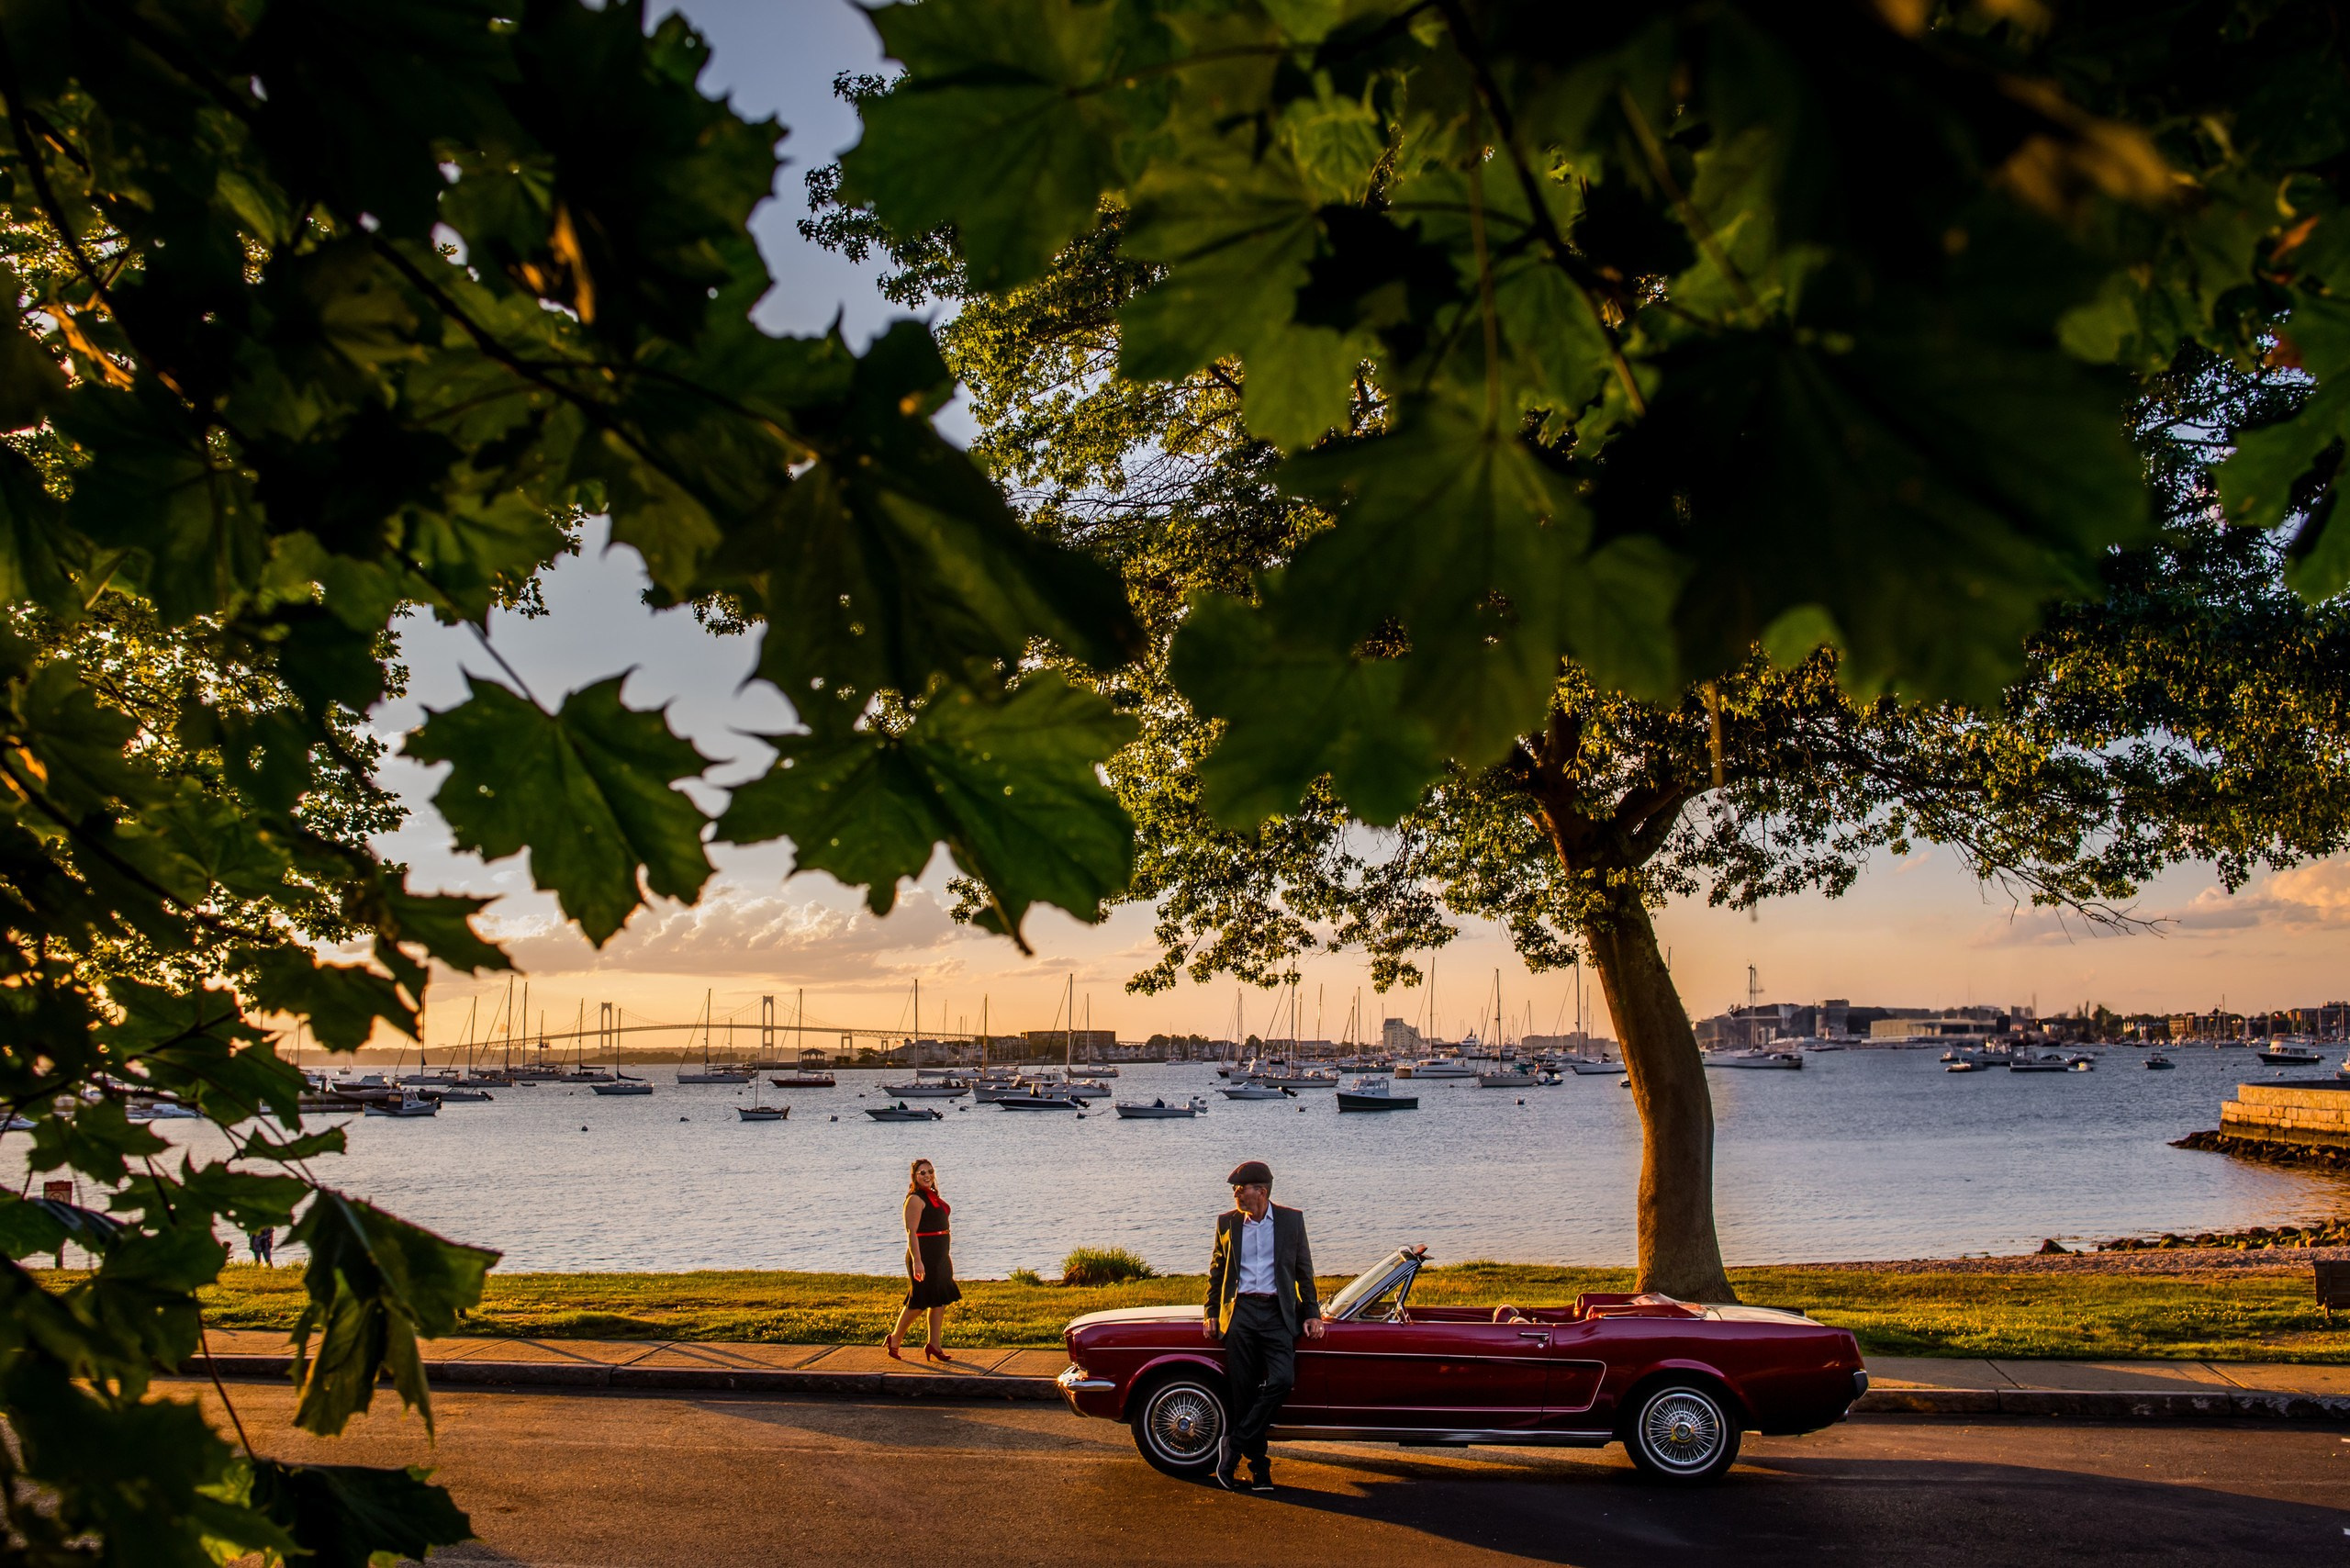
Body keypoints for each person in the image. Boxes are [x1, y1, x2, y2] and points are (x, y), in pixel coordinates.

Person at [1203, 1159, 1323, 1494]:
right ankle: (1260, 1471)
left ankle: (1234, 1447)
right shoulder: (1227, 1223)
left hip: (1277, 1314)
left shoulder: (1290, 1221)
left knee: (1283, 1380)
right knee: (1243, 1394)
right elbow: (1216, 1272)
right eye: (1235, 1190)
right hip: (1240, 1314)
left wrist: (1312, 1312)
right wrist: (1211, 1311)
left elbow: (1304, 1271)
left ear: (1262, 1191)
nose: (1236, 1194)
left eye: (1242, 1189)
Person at [886, 1159, 960, 1363]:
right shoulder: (915, 1199)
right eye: (921, 1173)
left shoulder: (933, 1197)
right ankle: (895, 1338)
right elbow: (911, 1233)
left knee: (940, 1300)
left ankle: (934, 1345)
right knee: (920, 1301)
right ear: (914, 1177)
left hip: (940, 1256)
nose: (927, 1175)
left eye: (930, 1171)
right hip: (923, 1255)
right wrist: (918, 1261)